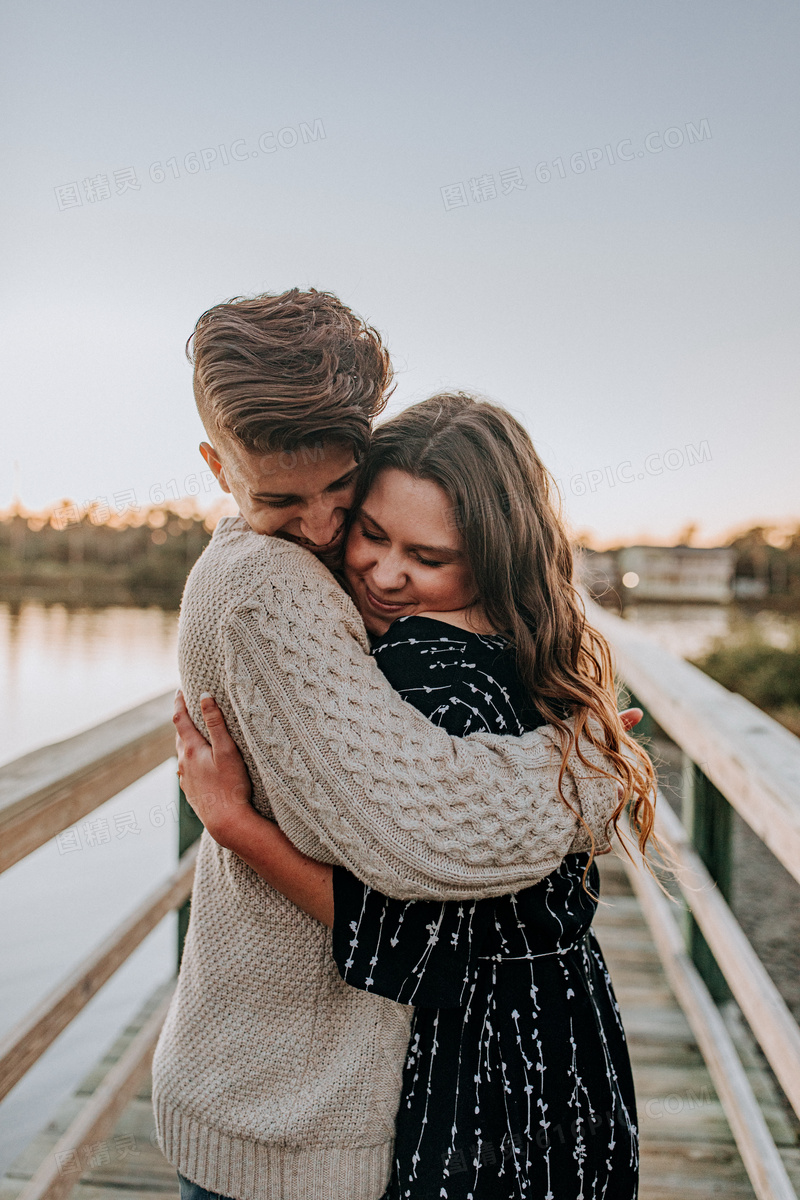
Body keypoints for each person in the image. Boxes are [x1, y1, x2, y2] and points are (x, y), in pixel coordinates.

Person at [152, 289, 644, 1200]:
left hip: (363, 1103)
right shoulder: (269, 586)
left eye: (344, 489)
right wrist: (591, 771)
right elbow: (432, 838)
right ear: (218, 468)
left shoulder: (423, 628)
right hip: (285, 1115)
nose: (331, 532)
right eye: (281, 499)